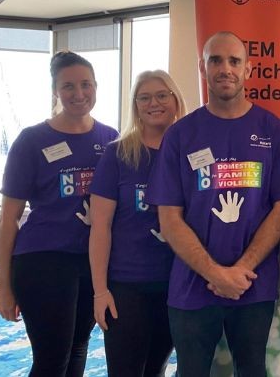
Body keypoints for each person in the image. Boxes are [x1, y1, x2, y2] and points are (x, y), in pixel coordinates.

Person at [145, 31, 280, 376]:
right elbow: (169, 218)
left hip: (253, 283)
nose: (225, 68)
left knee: (252, 370)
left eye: (234, 60)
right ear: (203, 68)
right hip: (191, 286)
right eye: (215, 60)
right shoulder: (181, 134)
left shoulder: (273, 130)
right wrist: (215, 273)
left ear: (248, 68)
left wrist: (239, 270)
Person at [0, 51, 118, 376]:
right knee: (52, 360)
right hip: (43, 260)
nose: (79, 94)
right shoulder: (32, 141)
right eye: (68, 86)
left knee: (78, 349)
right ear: (55, 91)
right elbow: (9, 219)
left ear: (96, 86)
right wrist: (3, 285)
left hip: (92, 262)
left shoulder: (111, 139)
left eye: (85, 85)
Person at [88, 70, 188, 376]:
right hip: (126, 287)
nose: (153, 103)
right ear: (135, 105)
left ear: (175, 100)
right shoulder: (118, 154)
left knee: (155, 369)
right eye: (144, 97)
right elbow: (100, 226)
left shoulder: (190, 154)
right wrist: (100, 291)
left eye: (161, 95)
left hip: (176, 285)